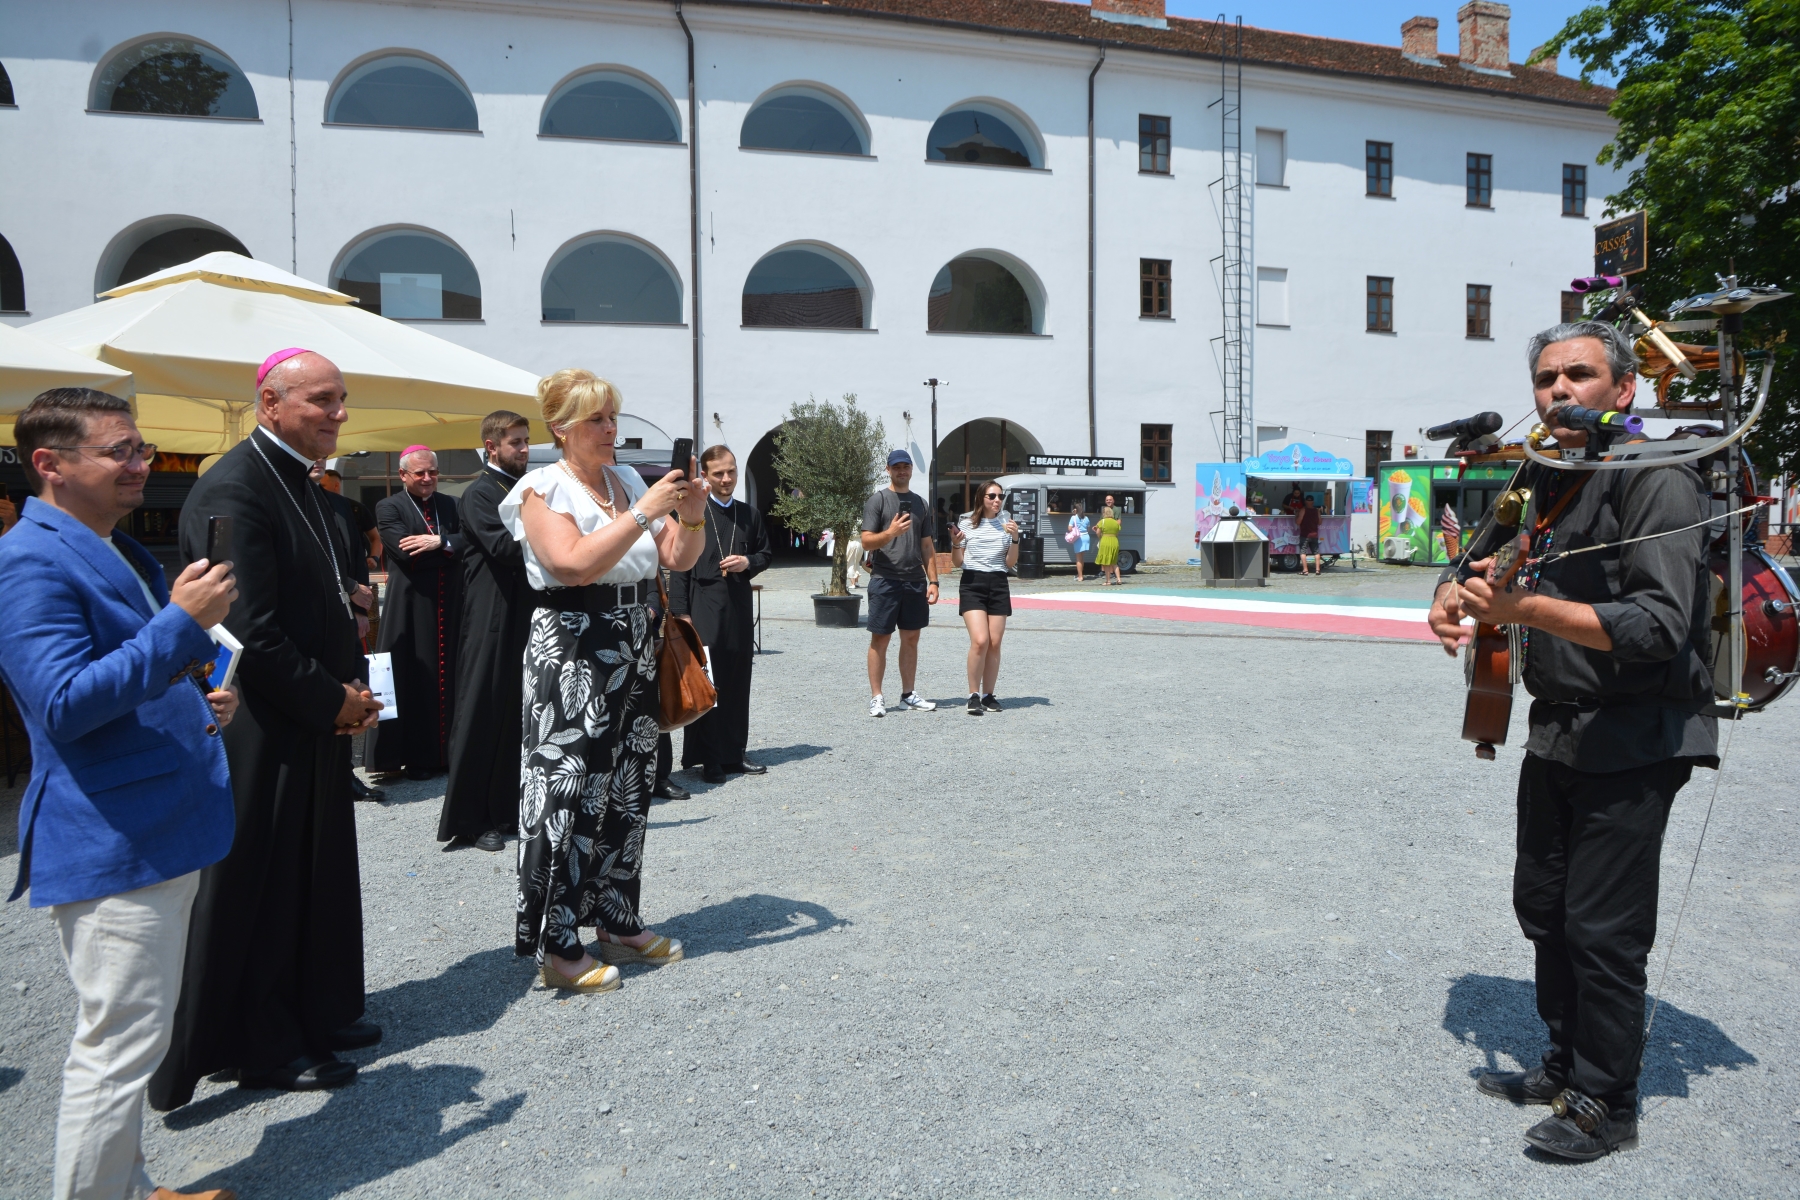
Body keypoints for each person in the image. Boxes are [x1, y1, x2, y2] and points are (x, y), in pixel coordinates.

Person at [1426, 320, 1717, 1162]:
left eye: (1580, 375)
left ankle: (1606, 1102)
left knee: (1603, 926)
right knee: (1543, 907)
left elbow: (1660, 625)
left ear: (1622, 389)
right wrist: (1450, 594)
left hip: (1636, 733)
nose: (1559, 391)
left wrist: (1522, 611)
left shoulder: (1654, 477)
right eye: (1546, 378)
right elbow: (1480, 558)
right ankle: (1563, 1062)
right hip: (1557, 727)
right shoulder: (1542, 473)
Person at [1, 389, 241, 1200]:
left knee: (135, 1034)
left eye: (140, 449)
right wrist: (180, 626)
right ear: (51, 465)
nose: (142, 465)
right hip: (113, 834)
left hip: (155, 820)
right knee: (116, 1047)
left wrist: (195, 690)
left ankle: (126, 1186)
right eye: (121, 452)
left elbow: (129, 670)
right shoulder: (26, 560)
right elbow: (61, 703)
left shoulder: (112, 546)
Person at [152, 349, 383, 1109]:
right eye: (322, 400)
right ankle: (258, 1041)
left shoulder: (308, 486)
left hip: (313, 708)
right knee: (264, 882)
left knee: (312, 873)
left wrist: (354, 686)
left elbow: (326, 598)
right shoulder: (234, 489)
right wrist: (331, 699)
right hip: (264, 720)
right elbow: (247, 631)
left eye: (342, 399)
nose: (339, 414)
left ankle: (316, 1011)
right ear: (270, 402)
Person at [502, 369, 706, 993]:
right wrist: (645, 512)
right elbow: (570, 564)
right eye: (597, 419)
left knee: (627, 786)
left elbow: (675, 558)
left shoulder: (624, 480)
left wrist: (690, 514)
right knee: (564, 792)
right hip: (571, 646)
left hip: (632, 640)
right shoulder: (542, 489)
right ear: (560, 427)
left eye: (613, 416)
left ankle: (616, 917)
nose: (611, 428)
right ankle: (556, 940)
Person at [439, 412, 533, 851]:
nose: (525, 449)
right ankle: (471, 821)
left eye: (526, 441)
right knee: (481, 711)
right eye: (516, 442)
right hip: (489, 615)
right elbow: (502, 547)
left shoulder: (523, 488)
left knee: (513, 713)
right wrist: (558, 538)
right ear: (491, 446)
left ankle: (505, 809)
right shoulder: (479, 491)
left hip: (522, 612)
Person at [670, 445, 772, 783]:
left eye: (730, 471)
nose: (726, 479)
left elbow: (765, 553)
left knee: (738, 683)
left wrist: (748, 563)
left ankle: (735, 754)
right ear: (705, 476)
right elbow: (679, 567)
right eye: (718, 474)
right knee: (708, 684)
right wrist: (680, 613)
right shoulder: (692, 513)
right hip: (703, 606)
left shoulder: (750, 514)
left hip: (739, 607)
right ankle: (709, 759)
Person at [366, 445, 461, 780]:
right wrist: (450, 547)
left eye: (432, 472)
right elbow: (406, 554)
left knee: (449, 679)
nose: (427, 479)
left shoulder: (450, 504)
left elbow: (469, 544)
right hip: (409, 607)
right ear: (403, 475)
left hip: (449, 606)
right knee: (410, 680)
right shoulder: (388, 506)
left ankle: (446, 756)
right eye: (419, 473)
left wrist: (441, 542)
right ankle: (407, 757)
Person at [311, 460, 383, 802]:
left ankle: (346, 776)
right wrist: (351, 585)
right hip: (314, 618)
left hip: (347, 616)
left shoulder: (340, 506)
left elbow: (353, 557)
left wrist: (360, 610)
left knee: (355, 689)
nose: (316, 464)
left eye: (322, 462)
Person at [860, 450, 939, 718]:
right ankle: (877, 697)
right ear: (888, 469)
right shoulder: (878, 500)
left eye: (906, 466)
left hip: (915, 581)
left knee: (911, 639)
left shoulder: (920, 503)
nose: (902, 471)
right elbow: (866, 541)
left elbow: (927, 545)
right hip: (885, 579)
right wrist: (890, 533)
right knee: (880, 639)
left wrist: (934, 581)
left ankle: (908, 694)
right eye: (897, 467)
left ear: (910, 470)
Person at [950, 481, 1020, 715]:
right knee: (980, 640)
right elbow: (958, 562)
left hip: (998, 583)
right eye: (992, 496)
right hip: (972, 583)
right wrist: (955, 544)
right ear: (982, 498)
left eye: (1000, 496)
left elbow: (1010, 563)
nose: (997, 500)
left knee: (995, 642)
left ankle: (989, 695)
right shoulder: (967, 523)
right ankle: (973, 695)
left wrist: (1016, 538)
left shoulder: (1006, 524)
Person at [319, 467, 380, 575]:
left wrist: (374, 557)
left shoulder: (356, 508)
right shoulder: (313, 507)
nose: (318, 489)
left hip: (355, 568)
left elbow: (375, 537)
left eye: (322, 486)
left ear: (336, 486)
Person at [1093, 505, 1123, 585]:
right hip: (1114, 541)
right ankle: (1119, 579)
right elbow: (1117, 533)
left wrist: (1101, 536)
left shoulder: (1102, 522)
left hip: (1105, 541)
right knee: (1114, 562)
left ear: (1104, 513)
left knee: (1106, 562)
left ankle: (1108, 581)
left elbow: (1098, 533)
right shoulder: (1115, 522)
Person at [1296, 494, 1323, 576]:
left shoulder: (1303, 510)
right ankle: (1318, 570)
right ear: (1313, 502)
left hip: (1305, 534)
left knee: (1303, 552)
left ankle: (1305, 570)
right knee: (1316, 552)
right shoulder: (1316, 511)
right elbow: (1320, 522)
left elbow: (1298, 522)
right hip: (1314, 534)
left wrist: (1296, 516)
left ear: (1305, 501)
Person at [1065, 501, 1090, 582]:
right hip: (1086, 537)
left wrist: (1073, 515)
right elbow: (1088, 529)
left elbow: (1069, 528)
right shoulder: (1086, 518)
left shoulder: (1073, 518)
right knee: (1082, 558)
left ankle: (1080, 576)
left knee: (1078, 559)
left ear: (1075, 510)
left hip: (1078, 538)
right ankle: (1081, 574)